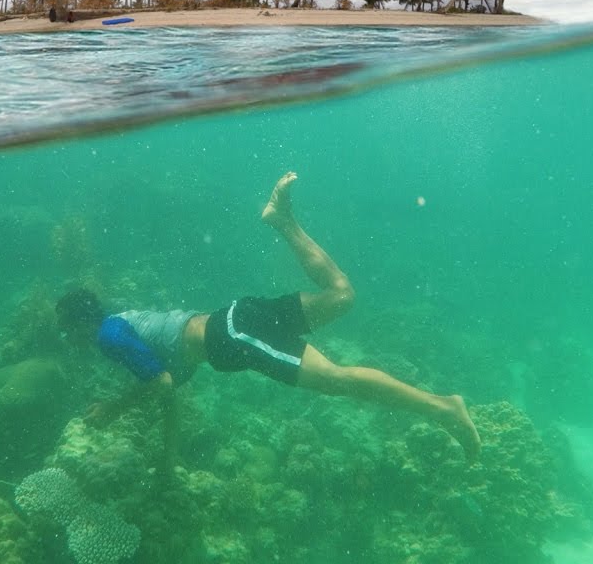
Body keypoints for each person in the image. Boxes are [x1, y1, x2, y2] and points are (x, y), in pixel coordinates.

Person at [56, 172, 481, 467]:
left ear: (80, 323)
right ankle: (282, 220)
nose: (68, 339)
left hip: (235, 336)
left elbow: (161, 382)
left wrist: (112, 408)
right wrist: (168, 458)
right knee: (342, 295)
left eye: (67, 331)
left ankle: (443, 409)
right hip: (240, 318)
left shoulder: (109, 335)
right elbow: (169, 382)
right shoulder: (125, 323)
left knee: (336, 380)